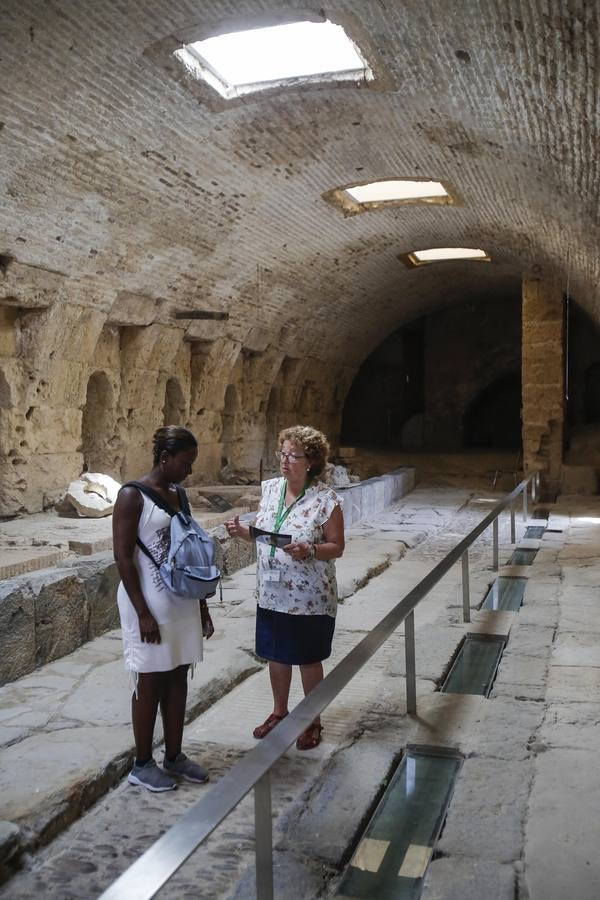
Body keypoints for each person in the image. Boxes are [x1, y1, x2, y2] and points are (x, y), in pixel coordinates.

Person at [225, 425, 345, 750]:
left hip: (308, 598)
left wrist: (310, 550)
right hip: (271, 591)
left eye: (295, 455)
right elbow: (268, 532)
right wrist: (245, 533)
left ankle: (312, 721)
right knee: (276, 655)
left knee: (307, 658)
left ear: (311, 461)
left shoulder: (326, 500)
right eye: (284, 453)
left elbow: (337, 546)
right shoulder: (272, 489)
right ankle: (279, 712)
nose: (286, 460)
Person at [113, 425, 214, 792]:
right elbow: (123, 558)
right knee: (150, 678)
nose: (189, 470)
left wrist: (202, 607)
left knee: (177, 676)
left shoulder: (179, 495)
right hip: (148, 602)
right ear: (164, 458)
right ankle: (142, 764)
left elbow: (187, 554)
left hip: (180, 600)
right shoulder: (131, 496)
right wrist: (142, 613)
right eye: (185, 463)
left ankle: (174, 755)